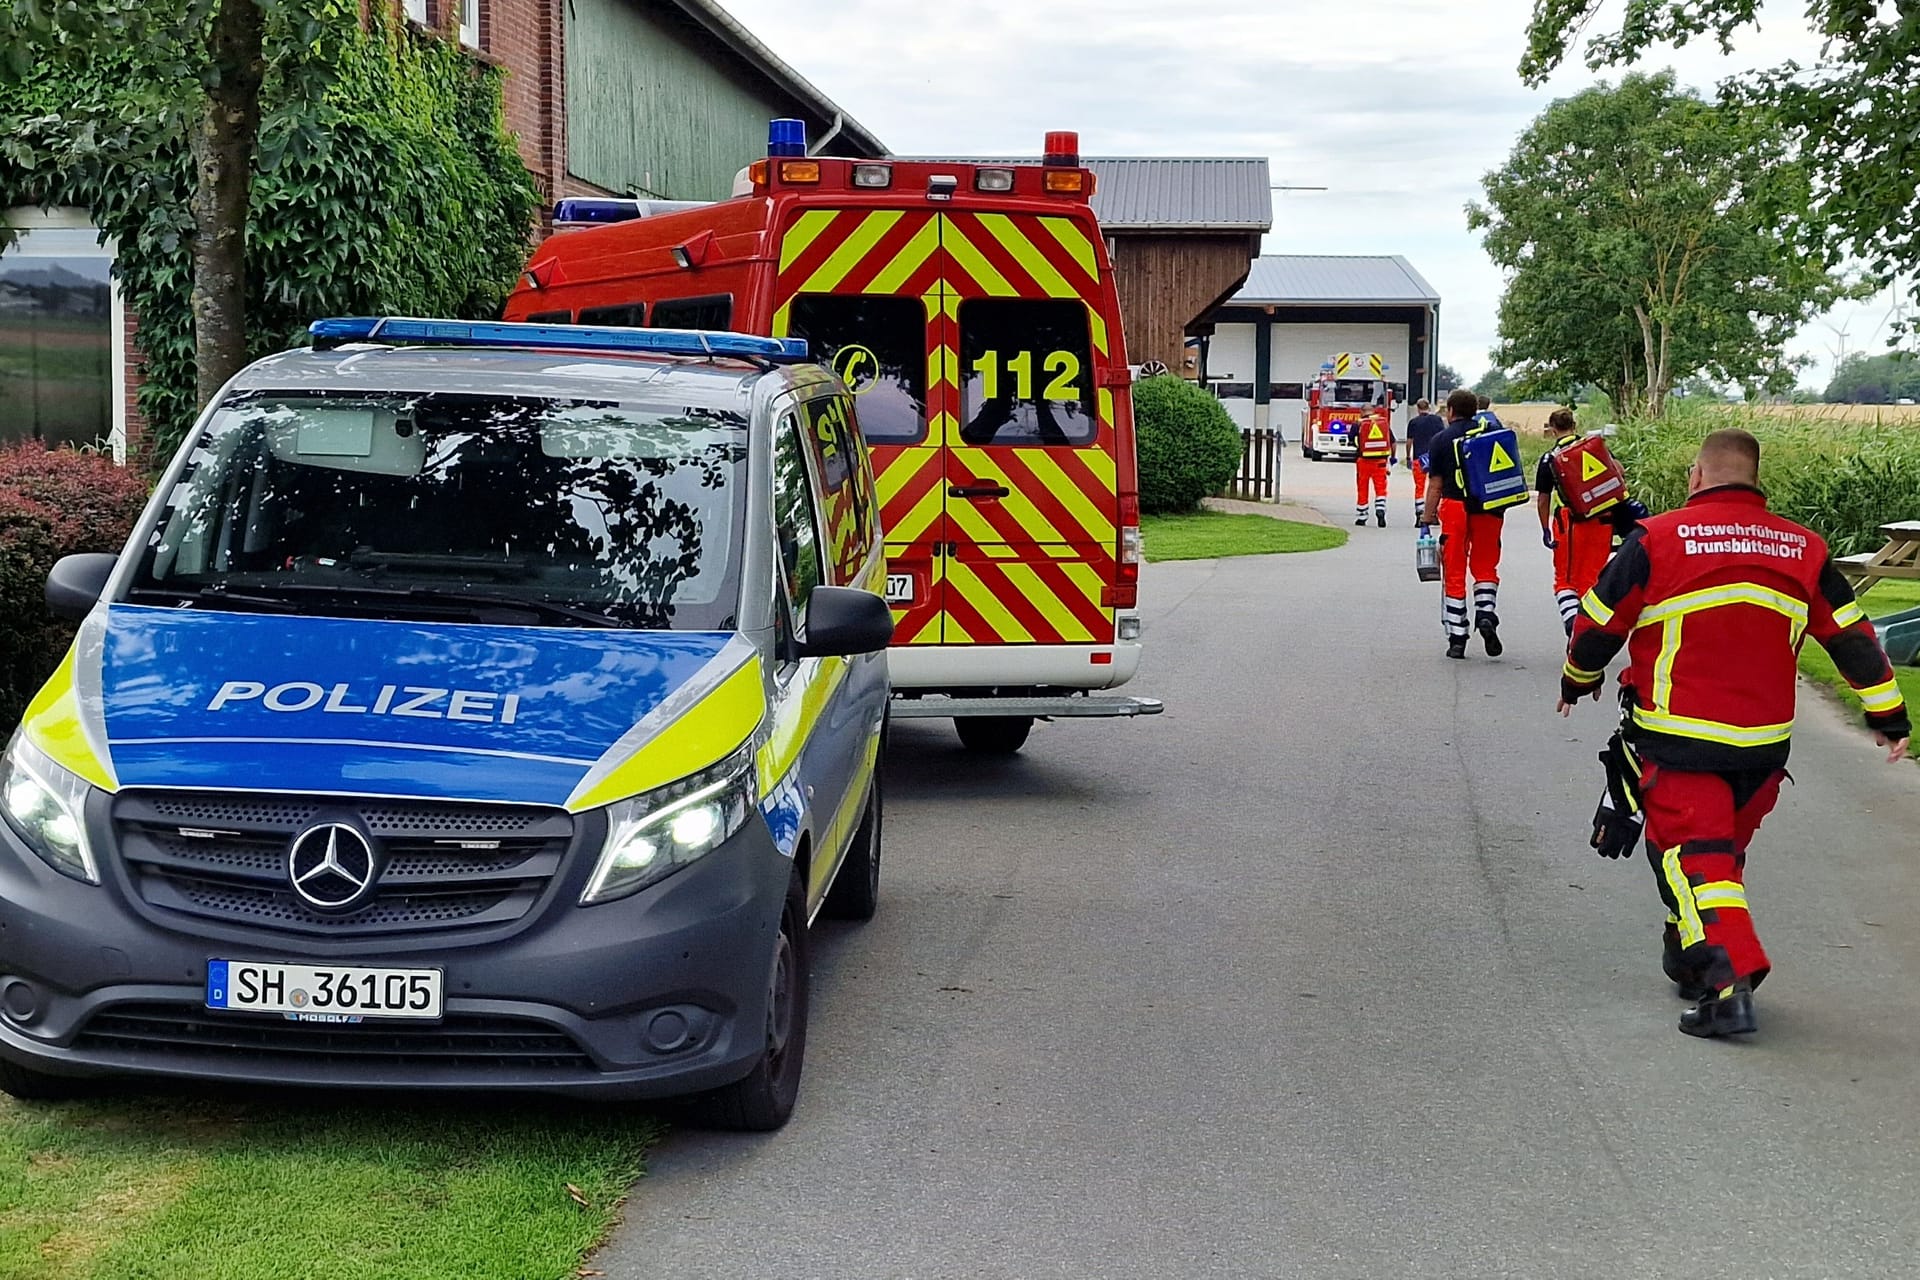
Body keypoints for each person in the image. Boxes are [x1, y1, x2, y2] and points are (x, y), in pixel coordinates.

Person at [1559, 428, 1910, 1038]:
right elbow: (1852, 635)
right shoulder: (1804, 548)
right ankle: (1688, 955)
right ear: (1754, 478)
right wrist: (1888, 715)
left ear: (1697, 476)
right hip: (1764, 751)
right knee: (1718, 858)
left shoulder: (1656, 540)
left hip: (1680, 739)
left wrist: (1576, 678)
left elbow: (1596, 623)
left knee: (1692, 858)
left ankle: (1729, 983)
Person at [1418, 388, 1509, 659]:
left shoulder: (1441, 440)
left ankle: (1458, 638)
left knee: (1455, 570)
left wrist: (1427, 517)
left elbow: (1435, 485)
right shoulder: (1489, 433)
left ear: (1451, 412)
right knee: (1485, 566)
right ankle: (1485, 612)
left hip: (1455, 508)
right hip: (1488, 508)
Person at [1534, 408, 1616, 634]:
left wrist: (1544, 528)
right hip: (1603, 520)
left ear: (1552, 429)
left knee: (1565, 580)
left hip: (1571, 523)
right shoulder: (1595, 448)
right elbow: (1618, 473)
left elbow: (1543, 499)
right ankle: (1594, 628)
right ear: (1575, 425)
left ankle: (1574, 624)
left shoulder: (1550, 458)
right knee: (1594, 577)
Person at [1404, 397, 1446, 523]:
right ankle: (1433, 513)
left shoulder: (1413, 422)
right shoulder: (1437, 420)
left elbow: (1409, 441)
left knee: (1419, 487)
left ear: (1417, 408)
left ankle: (1420, 514)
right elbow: (1442, 438)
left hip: (1419, 458)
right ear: (1429, 407)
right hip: (1435, 457)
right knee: (1437, 486)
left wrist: (1408, 457)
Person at [1353, 414, 1394, 527]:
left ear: (1362, 412)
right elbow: (1392, 442)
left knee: (1362, 488)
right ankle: (1380, 509)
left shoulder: (1358, 424)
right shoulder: (1382, 424)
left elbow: (1351, 439)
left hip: (1363, 461)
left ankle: (1362, 517)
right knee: (1381, 488)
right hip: (1380, 461)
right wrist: (1391, 459)